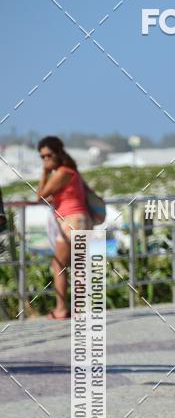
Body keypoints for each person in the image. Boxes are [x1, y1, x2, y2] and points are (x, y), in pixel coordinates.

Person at [36, 136, 92, 319]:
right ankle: (81, 309)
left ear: (58, 153)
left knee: (59, 265)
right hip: (81, 219)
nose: (46, 159)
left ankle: (61, 309)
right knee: (78, 265)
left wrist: (44, 172)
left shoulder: (62, 173)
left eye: (48, 155)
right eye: (42, 157)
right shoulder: (71, 171)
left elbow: (40, 195)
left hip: (71, 221)